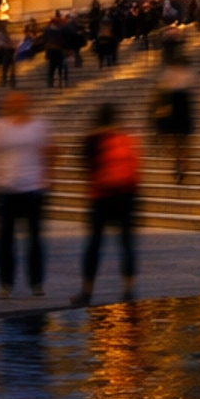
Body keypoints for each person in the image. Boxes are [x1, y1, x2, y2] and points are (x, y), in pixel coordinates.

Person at [0, 90, 53, 297]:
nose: (16, 106)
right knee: (5, 241)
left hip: (33, 188)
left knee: (35, 239)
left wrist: (49, 176)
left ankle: (36, 283)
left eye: (21, 102)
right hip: (5, 189)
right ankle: (6, 283)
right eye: (13, 103)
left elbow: (50, 150)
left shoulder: (38, 126)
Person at [71, 103, 142, 306]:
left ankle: (86, 291)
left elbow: (85, 168)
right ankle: (128, 290)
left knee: (94, 246)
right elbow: (136, 170)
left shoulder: (92, 139)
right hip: (126, 198)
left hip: (101, 197)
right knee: (126, 245)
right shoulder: (126, 139)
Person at [150, 49, 196, 183]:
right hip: (182, 107)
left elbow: (160, 87)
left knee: (177, 140)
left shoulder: (170, 72)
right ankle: (182, 163)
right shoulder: (187, 73)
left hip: (175, 108)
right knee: (182, 140)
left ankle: (179, 163)